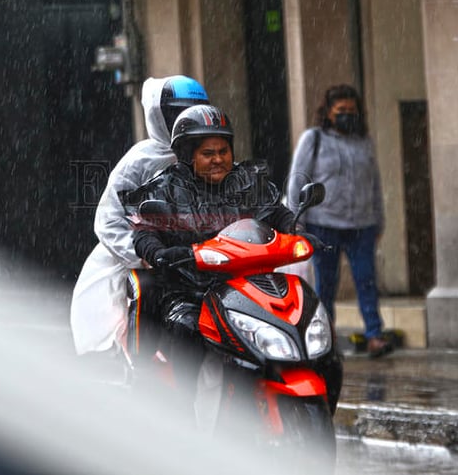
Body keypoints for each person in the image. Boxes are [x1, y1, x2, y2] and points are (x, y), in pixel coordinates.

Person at [123, 105, 341, 418]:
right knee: (185, 328)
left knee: (312, 322)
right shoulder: (165, 188)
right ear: (187, 155)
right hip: (192, 289)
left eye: (223, 151)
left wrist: (297, 228)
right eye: (207, 152)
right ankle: (182, 415)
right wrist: (158, 252)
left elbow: (275, 212)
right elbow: (143, 230)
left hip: (249, 285)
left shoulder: (248, 181)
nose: (218, 159)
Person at [70, 75, 210, 356]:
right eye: (177, 113)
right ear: (160, 116)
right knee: (145, 291)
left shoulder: (210, 155)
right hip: (145, 260)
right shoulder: (139, 162)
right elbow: (108, 221)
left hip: (198, 256)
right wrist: (145, 256)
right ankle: (142, 370)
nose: (185, 121)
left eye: (193, 112)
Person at [286, 84, 392, 358]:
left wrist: (378, 219)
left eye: (351, 110)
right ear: (329, 113)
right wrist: (296, 220)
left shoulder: (363, 142)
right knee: (326, 284)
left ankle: (374, 336)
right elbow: (298, 177)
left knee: (366, 280)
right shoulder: (314, 138)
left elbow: (374, 182)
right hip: (324, 224)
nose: (347, 115)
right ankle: (325, 338)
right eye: (341, 110)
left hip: (362, 224)